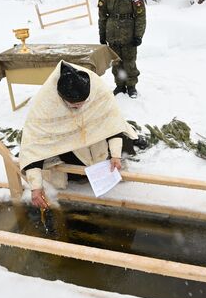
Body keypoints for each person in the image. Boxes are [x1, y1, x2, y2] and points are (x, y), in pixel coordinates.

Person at [19, 61, 138, 209]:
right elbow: (34, 146)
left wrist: (115, 155)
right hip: (67, 144)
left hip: (97, 139)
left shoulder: (97, 88)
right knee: (78, 173)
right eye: (74, 105)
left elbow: (112, 123)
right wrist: (36, 186)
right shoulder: (45, 103)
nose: (80, 108)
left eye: (83, 103)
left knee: (121, 147)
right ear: (61, 98)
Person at [98, 0, 146, 99]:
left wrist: (138, 35)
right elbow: (102, 15)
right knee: (116, 63)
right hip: (112, 32)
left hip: (128, 32)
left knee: (129, 61)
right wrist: (102, 34)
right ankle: (120, 85)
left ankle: (131, 86)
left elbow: (140, 15)